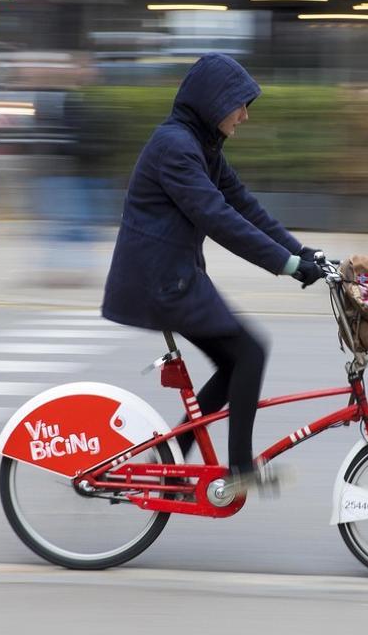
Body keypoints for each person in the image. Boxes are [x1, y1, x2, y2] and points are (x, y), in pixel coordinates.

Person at [101, 54, 323, 490]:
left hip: (175, 277)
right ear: (212, 101)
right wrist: (288, 265)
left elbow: (243, 205)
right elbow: (217, 217)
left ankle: (172, 464)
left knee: (234, 362)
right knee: (250, 353)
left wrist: (302, 251)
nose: (244, 115)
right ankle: (238, 469)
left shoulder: (200, 144)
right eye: (238, 104)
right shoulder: (176, 148)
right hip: (160, 283)